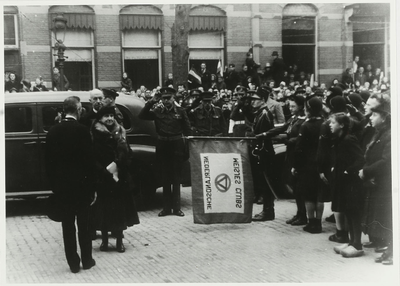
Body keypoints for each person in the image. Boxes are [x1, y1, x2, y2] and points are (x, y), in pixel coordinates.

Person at [45, 96, 96, 273]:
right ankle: (87, 260)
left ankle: (73, 263)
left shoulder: (52, 131)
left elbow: (48, 162)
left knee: (67, 225)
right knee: (84, 225)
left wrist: (55, 186)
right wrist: (92, 186)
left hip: (62, 187)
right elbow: (89, 161)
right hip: (82, 186)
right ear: (78, 109)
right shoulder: (83, 131)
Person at [90, 106, 140, 253]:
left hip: (120, 177)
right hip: (104, 177)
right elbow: (93, 156)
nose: (110, 119)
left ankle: (119, 241)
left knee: (119, 210)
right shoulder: (95, 134)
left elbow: (127, 152)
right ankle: (104, 241)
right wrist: (105, 171)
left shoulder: (121, 132)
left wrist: (118, 164)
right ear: (100, 119)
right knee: (104, 211)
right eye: (106, 116)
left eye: (111, 115)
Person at [138, 87, 192, 217]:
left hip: (177, 145)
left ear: (174, 98)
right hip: (163, 146)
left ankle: (177, 208)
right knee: (165, 178)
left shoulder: (180, 111)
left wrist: (186, 148)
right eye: (164, 98)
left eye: (169, 98)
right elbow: (142, 115)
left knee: (176, 178)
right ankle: (166, 208)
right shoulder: (157, 111)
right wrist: (151, 101)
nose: (166, 101)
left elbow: (188, 130)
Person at [261, 95, 307, 225]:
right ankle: (299, 213)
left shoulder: (304, 121)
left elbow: (299, 138)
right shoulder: (294, 119)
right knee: (293, 184)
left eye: (293, 106)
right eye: (290, 106)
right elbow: (282, 128)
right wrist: (265, 134)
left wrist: (285, 140)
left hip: (299, 156)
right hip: (291, 154)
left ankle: (303, 215)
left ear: (301, 106)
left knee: (299, 187)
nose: (291, 109)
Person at [359, 95, 392, 265]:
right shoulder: (380, 131)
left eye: (374, 113)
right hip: (374, 178)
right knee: (374, 210)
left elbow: (386, 159)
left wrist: (367, 171)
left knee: (384, 212)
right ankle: (381, 242)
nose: (370, 116)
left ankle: (388, 247)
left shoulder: (389, 134)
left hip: (383, 180)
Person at [329, 113, 365, 257]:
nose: (330, 125)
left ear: (342, 125)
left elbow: (360, 159)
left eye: (333, 123)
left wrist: (346, 171)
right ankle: (351, 242)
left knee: (353, 212)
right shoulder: (340, 139)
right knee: (348, 212)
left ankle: (357, 245)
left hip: (351, 183)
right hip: (344, 182)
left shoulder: (349, 139)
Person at [292, 97, 324, 233]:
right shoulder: (325, 123)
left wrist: (295, 165)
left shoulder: (306, 125)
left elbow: (299, 147)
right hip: (321, 162)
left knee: (309, 196)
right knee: (319, 195)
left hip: (307, 164)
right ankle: (319, 222)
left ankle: (312, 222)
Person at [249, 87, 276, 221]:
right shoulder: (260, 113)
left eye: (256, 100)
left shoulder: (265, 114)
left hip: (264, 152)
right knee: (263, 182)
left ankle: (268, 211)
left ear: (263, 100)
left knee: (266, 183)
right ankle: (266, 210)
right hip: (261, 152)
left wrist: (259, 151)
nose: (252, 102)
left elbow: (264, 137)